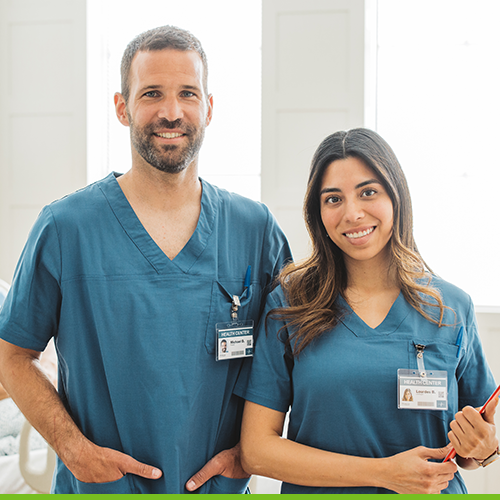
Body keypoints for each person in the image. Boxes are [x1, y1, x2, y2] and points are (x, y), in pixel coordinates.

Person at [0, 25, 291, 494]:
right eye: (152, 93)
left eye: (188, 94)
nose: (171, 112)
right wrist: (71, 448)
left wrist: (249, 450)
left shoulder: (254, 230)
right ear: (123, 107)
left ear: (209, 108)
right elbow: (10, 355)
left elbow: (290, 360)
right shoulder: (66, 227)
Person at [236, 128, 499, 494]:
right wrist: (383, 473)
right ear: (318, 212)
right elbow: (257, 451)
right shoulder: (290, 304)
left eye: (368, 192)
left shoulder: (451, 308)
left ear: (396, 197)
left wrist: (484, 449)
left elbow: (472, 447)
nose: (352, 213)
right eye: (333, 199)